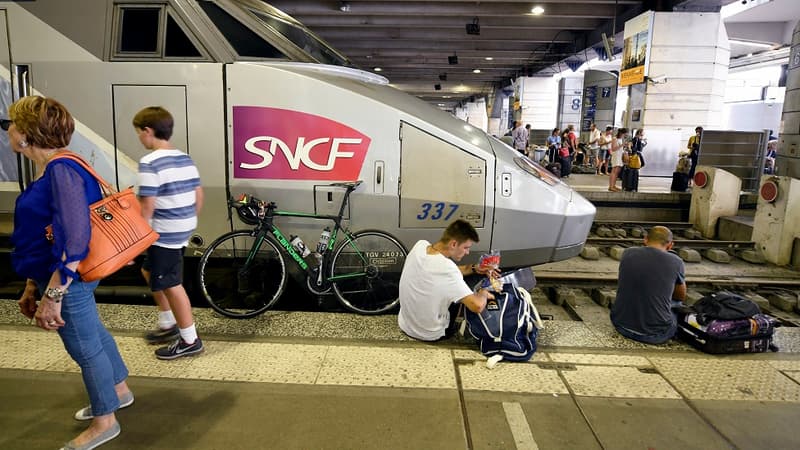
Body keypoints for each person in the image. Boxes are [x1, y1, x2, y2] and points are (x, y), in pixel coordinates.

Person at [7, 96, 131, 449]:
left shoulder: (62, 170)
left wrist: (53, 294)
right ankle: (119, 390)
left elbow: (75, 238)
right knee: (93, 331)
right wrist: (33, 284)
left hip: (67, 277)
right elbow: (46, 231)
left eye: (12, 124)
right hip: (61, 274)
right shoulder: (59, 166)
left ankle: (105, 422)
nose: (9, 131)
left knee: (84, 347)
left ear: (28, 134)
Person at [134, 106, 205, 359]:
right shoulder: (184, 157)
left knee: (172, 284)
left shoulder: (150, 162)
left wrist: (137, 239)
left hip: (163, 232)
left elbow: (147, 206)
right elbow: (199, 196)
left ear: (148, 131)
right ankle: (168, 323)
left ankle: (190, 340)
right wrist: (187, 221)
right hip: (182, 227)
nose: (140, 139)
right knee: (149, 270)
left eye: (139, 134)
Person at [398, 220, 498, 341]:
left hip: (405, 325)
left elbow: (442, 273)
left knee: (456, 283)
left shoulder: (420, 246)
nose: (467, 252)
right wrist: (483, 293)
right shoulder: (448, 268)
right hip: (429, 334)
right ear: (454, 244)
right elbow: (477, 306)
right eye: (466, 247)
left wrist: (473, 268)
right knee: (470, 286)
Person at [610, 226, 687, 344]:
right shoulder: (676, 261)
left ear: (645, 239)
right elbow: (680, 296)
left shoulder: (628, 253)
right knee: (677, 305)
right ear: (671, 245)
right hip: (655, 334)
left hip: (621, 325)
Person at [608, 127, 628, 192]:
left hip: (619, 156)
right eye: (625, 134)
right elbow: (613, 149)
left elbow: (620, 148)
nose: (626, 135)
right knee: (614, 172)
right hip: (616, 156)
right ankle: (611, 186)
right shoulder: (614, 139)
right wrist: (622, 145)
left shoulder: (620, 139)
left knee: (617, 172)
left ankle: (613, 185)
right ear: (622, 133)